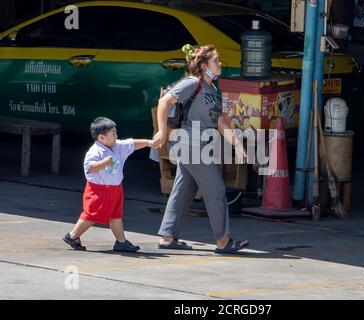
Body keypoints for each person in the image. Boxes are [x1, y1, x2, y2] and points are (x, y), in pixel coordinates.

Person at [152, 44, 249, 254]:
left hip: (199, 146)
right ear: (203, 65)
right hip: (190, 145)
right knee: (216, 190)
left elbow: (221, 122)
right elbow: (164, 102)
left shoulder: (213, 90)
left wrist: (238, 144)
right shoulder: (192, 83)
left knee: (183, 190)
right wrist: (161, 131)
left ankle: (167, 237)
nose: (220, 64)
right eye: (216, 61)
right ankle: (223, 241)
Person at [63, 117, 154, 252]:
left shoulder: (117, 146)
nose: (116, 136)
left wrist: (148, 143)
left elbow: (132, 144)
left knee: (116, 215)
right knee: (92, 215)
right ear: (101, 137)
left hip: (116, 189)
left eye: (115, 132)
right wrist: (103, 163)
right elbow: (89, 168)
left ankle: (121, 242)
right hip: (99, 190)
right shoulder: (95, 152)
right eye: (113, 133)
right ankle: (72, 235)